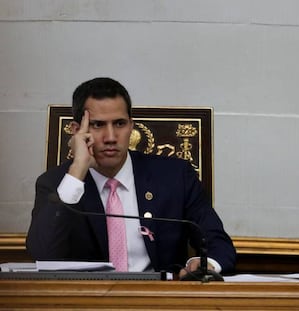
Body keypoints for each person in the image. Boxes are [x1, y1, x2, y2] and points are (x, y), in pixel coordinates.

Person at [26, 77, 236, 279]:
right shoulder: (55, 183)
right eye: (98, 125)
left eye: (119, 124)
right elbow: (43, 253)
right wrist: (78, 170)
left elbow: (218, 244)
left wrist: (205, 265)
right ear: (76, 131)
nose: (110, 137)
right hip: (88, 301)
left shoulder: (175, 176)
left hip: (160, 301)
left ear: (131, 125)